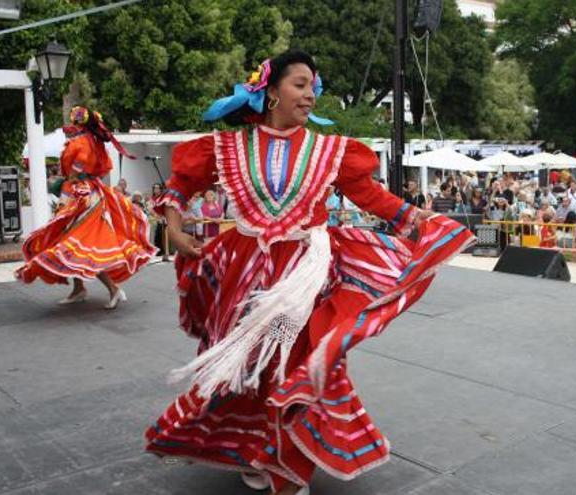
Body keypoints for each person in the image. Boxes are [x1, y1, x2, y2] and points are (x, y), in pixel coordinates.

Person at [145, 50, 474, 495]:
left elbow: (371, 197)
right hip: (244, 275)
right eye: (300, 85)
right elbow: (180, 185)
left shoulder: (329, 151)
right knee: (250, 369)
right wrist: (176, 229)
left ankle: (288, 465)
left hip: (304, 275)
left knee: (296, 361)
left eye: (312, 87)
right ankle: (257, 448)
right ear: (272, 91)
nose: (309, 96)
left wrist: (420, 222)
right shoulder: (228, 147)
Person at [15, 107, 157, 309]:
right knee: (71, 244)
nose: (70, 126)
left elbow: (76, 169)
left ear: (79, 124)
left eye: (73, 123)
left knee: (81, 246)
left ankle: (113, 289)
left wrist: (69, 178)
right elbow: (94, 168)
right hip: (89, 192)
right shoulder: (94, 142)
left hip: (82, 195)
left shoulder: (81, 143)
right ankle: (79, 288)